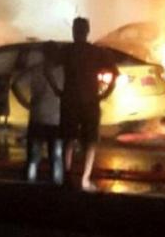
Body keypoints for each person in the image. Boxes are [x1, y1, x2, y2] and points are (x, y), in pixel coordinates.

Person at [48, 17, 118, 191]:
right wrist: (104, 94)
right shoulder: (96, 52)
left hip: (70, 102)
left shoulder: (67, 51)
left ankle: (67, 177)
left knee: (69, 140)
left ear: (74, 31)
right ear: (87, 32)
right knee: (90, 142)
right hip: (90, 103)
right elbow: (114, 74)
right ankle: (85, 180)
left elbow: (47, 69)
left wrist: (57, 90)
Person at [11, 42, 64, 184]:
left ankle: (29, 189)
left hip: (37, 118)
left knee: (33, 159)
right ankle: (57, 192)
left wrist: (26, 104)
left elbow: (15, 85)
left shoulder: (36, 70)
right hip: (56, 121)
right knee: (57, 159)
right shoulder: (63, 72)